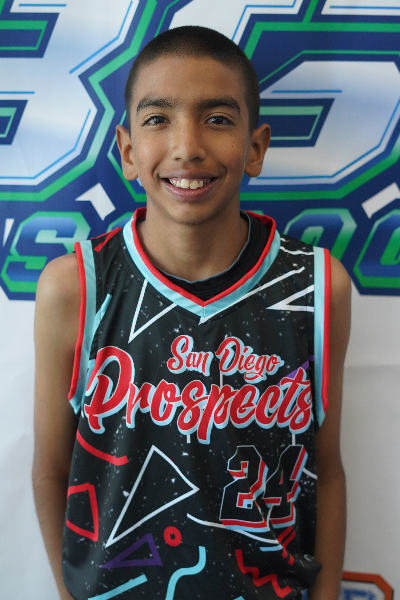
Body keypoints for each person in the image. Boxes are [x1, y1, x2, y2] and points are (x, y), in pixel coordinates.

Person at [33, 26, 350, 600]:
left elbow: (325, 472)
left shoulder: (317, 286)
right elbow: (52, 470)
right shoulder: (75, 287)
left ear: (255, 148)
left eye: (218, 119)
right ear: (128, 151)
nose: (187, 146)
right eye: (158, 118)